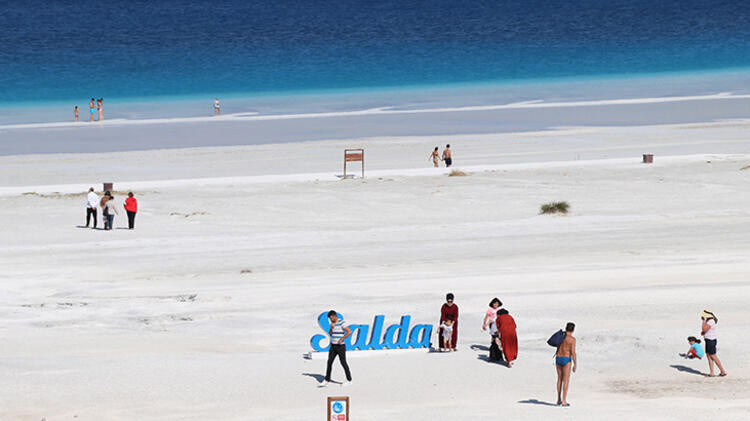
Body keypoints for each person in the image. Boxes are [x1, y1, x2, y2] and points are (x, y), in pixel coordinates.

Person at [322, 310, 352, 386]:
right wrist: (331, 328)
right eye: (329, 319)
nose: (330, 320)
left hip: (340, 346)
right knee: (329, 362)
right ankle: (327, 379)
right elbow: (331, 334)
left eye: (330, 318)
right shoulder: (332, 323)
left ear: (334, 316)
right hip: (333, 346)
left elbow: (349, 332)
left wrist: (342, 338)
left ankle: (349, 380)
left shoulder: (342, 322)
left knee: (343, 362)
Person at [555, 322, 577, 407]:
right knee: (566, 380)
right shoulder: (572, 339)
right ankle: (564, 400)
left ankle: (558, 399)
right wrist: (575, 364)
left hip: (558, 357)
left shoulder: (561, 336)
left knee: (559, 379)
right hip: (566, 359)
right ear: (573, 330)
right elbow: (573, 353)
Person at [700, 309, 727, 377]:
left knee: (713, 356)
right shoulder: (709, 320)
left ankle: (722, 371)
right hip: (708, 340)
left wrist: (703, 321)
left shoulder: (711, 321)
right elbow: (704, 331)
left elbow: (704, 329)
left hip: (711, 340)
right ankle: (712, 372)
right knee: (709, 356)